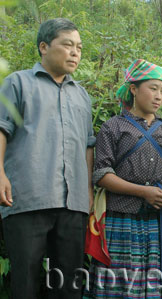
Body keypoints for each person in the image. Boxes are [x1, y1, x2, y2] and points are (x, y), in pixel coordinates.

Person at [0, 18, 95, 298]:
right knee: (25, 281)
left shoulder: (82, 96)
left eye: (78, 46)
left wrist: (88, 190)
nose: (75, 52)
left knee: (68, 285)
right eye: (67, 45)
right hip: (27, 198)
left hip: (73, 203)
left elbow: (88, 145)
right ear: (44, 47)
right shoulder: (17, 83)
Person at [84, 59, 162, 298]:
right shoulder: (113, 127)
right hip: (122, 219)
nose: (159, 96)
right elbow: (101, 174)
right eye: (152, 88)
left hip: (160, 221)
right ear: (133, 89)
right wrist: (143, 192)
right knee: (119, 287)